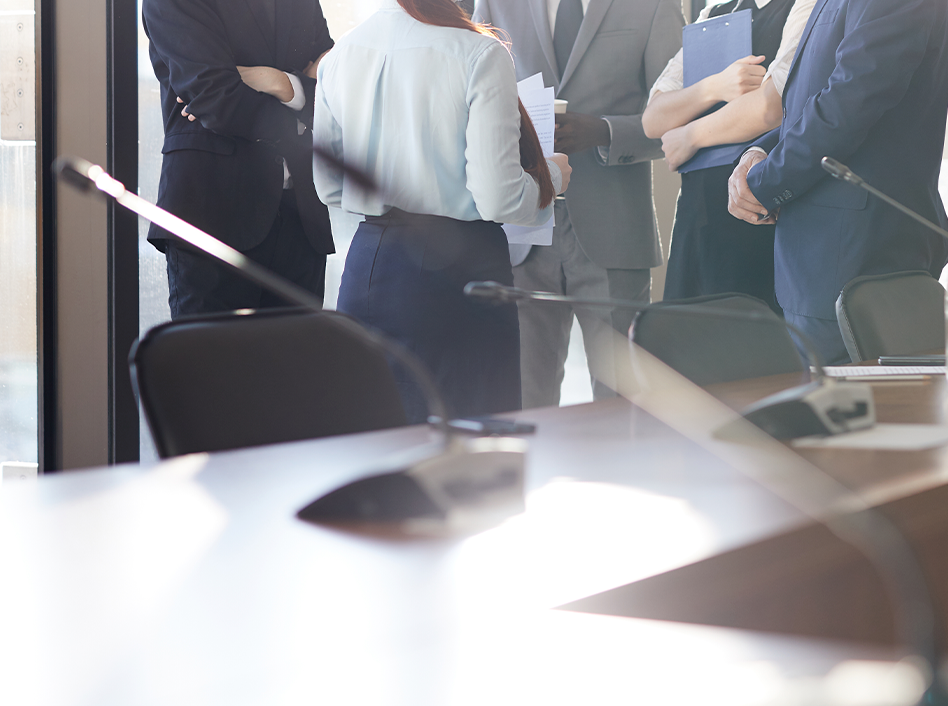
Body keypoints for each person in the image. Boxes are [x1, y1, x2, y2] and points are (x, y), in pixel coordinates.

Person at [313, 0, 570, 420]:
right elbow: (500, 197)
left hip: (367, 267)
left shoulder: (342, 54)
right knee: (473, 455)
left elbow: (329, 186)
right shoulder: (479, 53)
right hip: (457, 275)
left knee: (379, 442)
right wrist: (554, 178)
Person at [473, 0, 683, 408]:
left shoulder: (655, 6)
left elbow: (683, 116)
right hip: (521, 230)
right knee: (524, 400)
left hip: (614, 231)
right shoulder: (496, 4)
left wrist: (605, 131)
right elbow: (471, 100)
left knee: (624, 401)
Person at [728, 0, 948, 365]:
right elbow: (813, 101)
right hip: (825, 255)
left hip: (855, 252)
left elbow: (849, 102)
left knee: (867, 416)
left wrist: (763, 185)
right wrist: (757, 153)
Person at [142, 0, 335, 319]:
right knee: (215, 366)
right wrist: (299, 101)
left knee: (298, 367)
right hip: (213, 220)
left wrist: (278, 82)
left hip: (301, 223)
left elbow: (331, 86)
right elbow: (216, 98)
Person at [642, 0, 815, 313]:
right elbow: (653, 118)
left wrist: (689, 136)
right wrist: (714, 86)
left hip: (755, 214)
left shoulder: (805, 5)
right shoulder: (716, 12)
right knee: (687, 350)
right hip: (696, 218)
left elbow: (770, 108)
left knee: (756, 351)